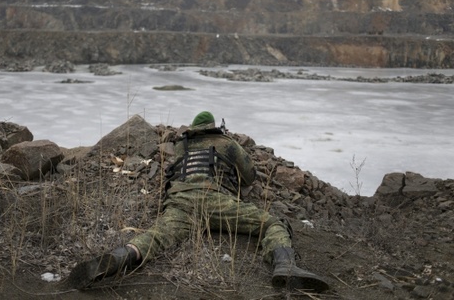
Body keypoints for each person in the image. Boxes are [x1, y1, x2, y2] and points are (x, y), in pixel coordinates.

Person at [66, 111, 329, 293]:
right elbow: (249, 177)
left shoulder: (181, 146)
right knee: (272, 223)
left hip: (180, 203)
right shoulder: (226, 142)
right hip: (215, 202)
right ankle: (284, 265)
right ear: (214, 126)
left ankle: (121, 255)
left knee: (155, 238)